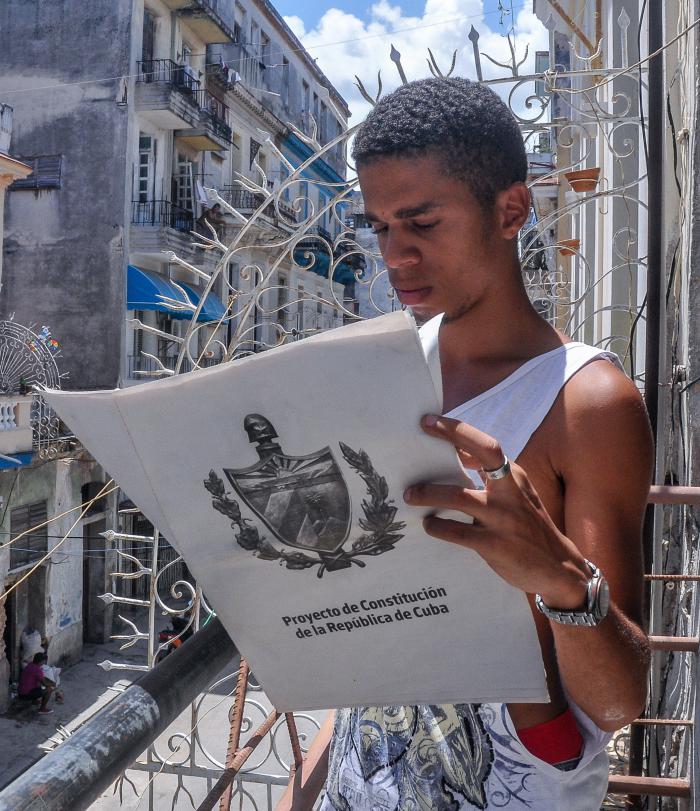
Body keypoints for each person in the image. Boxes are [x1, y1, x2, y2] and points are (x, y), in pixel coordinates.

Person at [320, 78, 653, 810]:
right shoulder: (385, 367)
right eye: (378, 227)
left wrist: (560, 579)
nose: (395, 254)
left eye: (422, 222)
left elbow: (619, 702)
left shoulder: (587, 400)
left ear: (510, 209)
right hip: (361, 777)